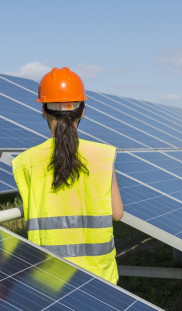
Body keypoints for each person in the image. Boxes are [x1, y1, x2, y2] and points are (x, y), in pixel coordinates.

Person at [12, 67, 124, 284]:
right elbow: (117, 213)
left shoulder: (25, 162)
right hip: (100, 278)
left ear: (44, 110)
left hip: (48, 280)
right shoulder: (103, 155)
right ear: (82, 111)